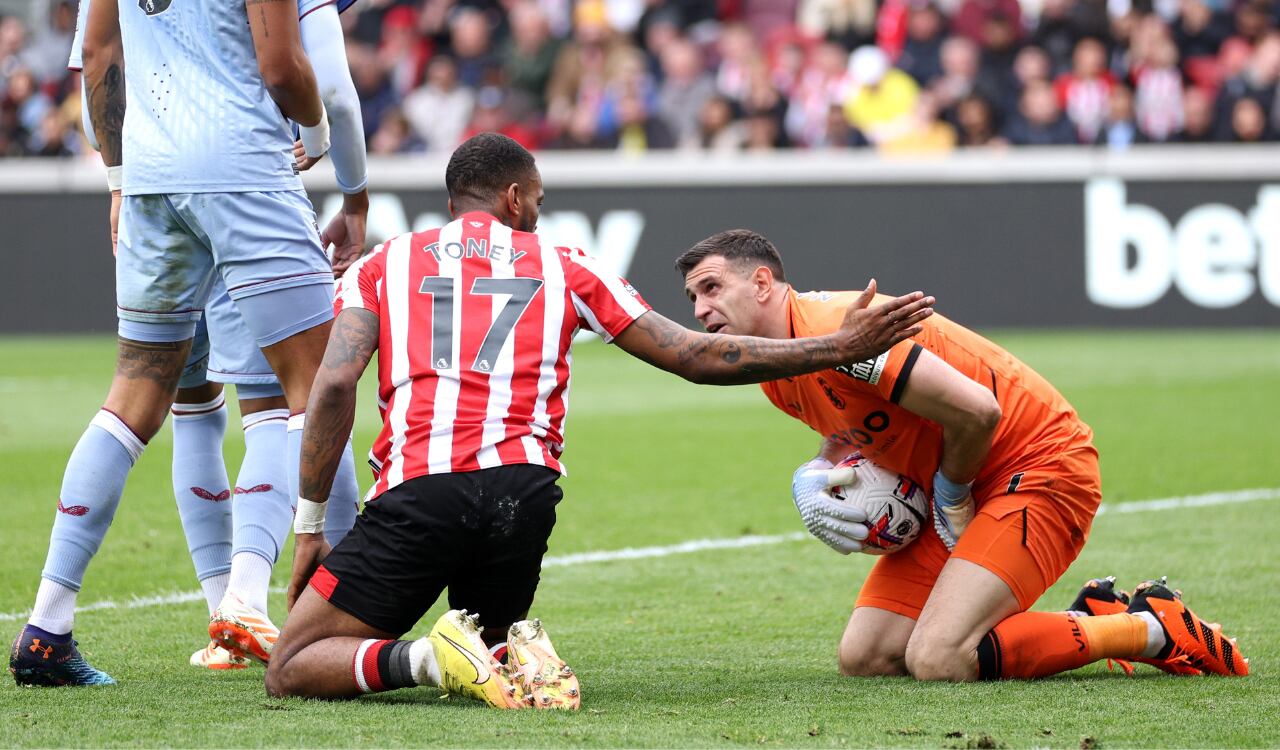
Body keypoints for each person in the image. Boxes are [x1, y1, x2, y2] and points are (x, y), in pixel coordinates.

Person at [261, 133, 937, 709]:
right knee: (493, 656)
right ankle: (500, 647)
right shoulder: (567, 266)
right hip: (524, 496)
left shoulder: (382, 264)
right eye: (538, 201)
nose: (537, 214)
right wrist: (836, 347)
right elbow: (695, 356)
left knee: (292, 665)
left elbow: (334, 385)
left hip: (422, 490)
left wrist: (312, 525)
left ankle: (433, 659)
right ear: (515, 198)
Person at [675, 229, 1249, 682]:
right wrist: (818, 470)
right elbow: (850, 424)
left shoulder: (842, 331)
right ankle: (1091, 614)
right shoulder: (776, 370)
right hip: (963, 482)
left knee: (940, 657)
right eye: (693, 298)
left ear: (762, 282)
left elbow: (978, 412)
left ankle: (1150, 628)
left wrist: (950, 496)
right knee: (867, 655)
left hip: (1042, 466)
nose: (700, 310)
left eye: (711, 288)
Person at [10, 0, 345, 686]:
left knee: (132, 401)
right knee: (314, 390)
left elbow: (98, 54)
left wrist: (119, 178)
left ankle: (48, 626)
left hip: (151, 182)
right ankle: (334, 616)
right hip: (245, 171)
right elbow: (282, 65)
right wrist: (317, 129)